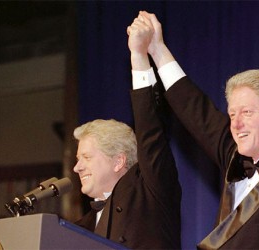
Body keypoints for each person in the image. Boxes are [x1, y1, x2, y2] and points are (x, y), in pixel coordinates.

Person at [127, 11, 259, 249]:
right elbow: (194, 109)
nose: (235, 124)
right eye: (232, 114)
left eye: (247, 113)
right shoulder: (235, 158)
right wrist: (156, 49)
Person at [73, 24, 182, 248]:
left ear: (119, 161)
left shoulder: (151, 193)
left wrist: (139, 57)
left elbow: (151, 131)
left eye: (86, 157)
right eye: (77, 159)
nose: (77, 167)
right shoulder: (77, 229)